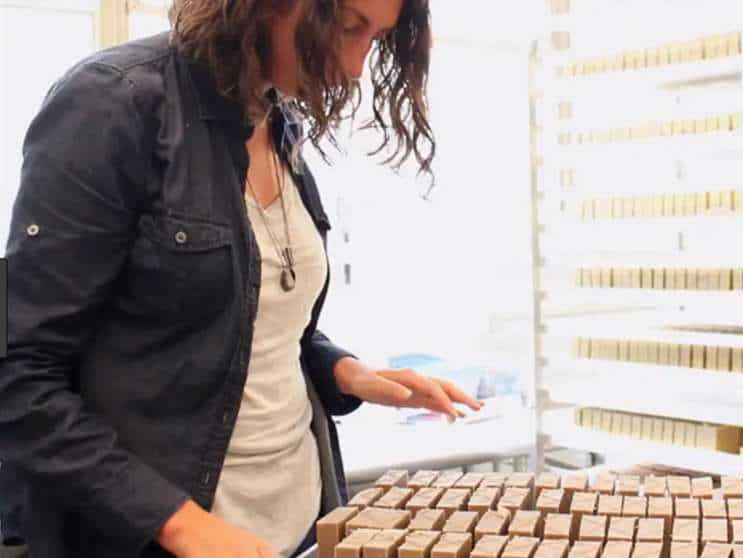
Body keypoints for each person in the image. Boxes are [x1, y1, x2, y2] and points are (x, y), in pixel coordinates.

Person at [0, 1, 480, 557]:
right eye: (347, 28)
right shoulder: (113, 103)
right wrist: (179, 523)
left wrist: (348, 373)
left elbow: (246, 326)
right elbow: (21, 376)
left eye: (375, 39)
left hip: (298, 527)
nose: (354, 65)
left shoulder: (279, 121)